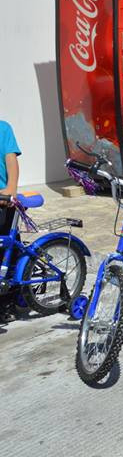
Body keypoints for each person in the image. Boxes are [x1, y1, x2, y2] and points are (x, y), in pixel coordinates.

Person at [0, 120, 21, 322]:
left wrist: (11, 188)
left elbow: (11, 160)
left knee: (7, 253)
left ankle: (7, 301)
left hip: (2, 200)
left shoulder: (3, 128)